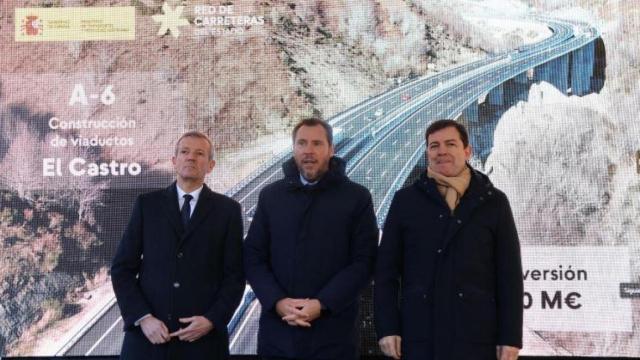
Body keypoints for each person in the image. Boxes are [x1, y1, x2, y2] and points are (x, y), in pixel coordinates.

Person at [374, 119, 523, 360]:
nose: (441, 151)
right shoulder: (405, 201)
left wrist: (510, 337)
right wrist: (387, 327)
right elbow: (386, 272)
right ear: (427, 153)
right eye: (434, 146)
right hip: (419, 335)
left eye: (450, 144)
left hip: (477, 336)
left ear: (467, 151)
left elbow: (509, 275)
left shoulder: (494, 202)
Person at [244, 118, 379, 359]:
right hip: (278, 336)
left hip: (334, 336)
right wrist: (277, 301)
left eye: (317, 143)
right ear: (294, 148)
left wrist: (322, 304)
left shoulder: (357, 197)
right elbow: (253, 256)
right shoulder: (271, 196)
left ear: (331, 149)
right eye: (302, 143)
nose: (308, 150)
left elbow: (364, 261)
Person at [111, 131, 245, 359]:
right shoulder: (147, 206)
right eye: (184, 152)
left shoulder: (228, 211)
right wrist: (143, 318)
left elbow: (235, 276)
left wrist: (212, 320)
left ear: (210, 165)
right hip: (148, 341)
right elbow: (122, 269)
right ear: (174, 161)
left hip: (203, 344)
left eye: (199, 153)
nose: (191, 158)